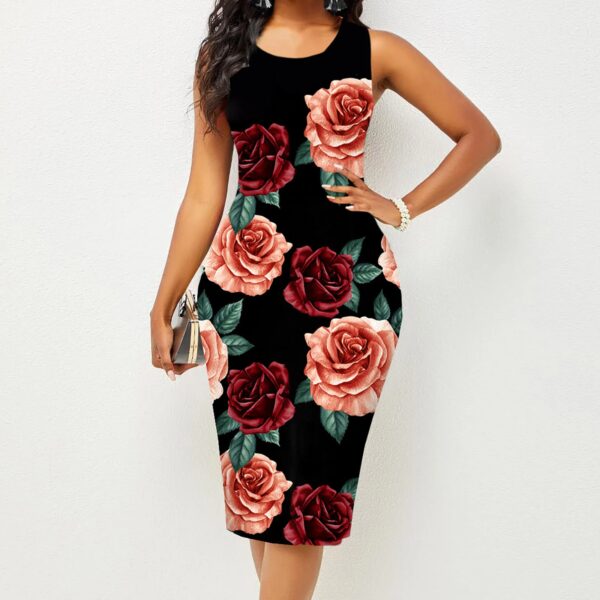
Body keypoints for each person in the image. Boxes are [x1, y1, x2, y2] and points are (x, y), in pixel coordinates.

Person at [150, 1, 501, 598]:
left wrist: (400, 207)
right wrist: (163, 306)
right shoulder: (224, 54)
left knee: (305, 501)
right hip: (243, 298)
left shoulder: (377, 50)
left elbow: (479, 137)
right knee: (265, 501)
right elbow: (205, 193)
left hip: (349, 302)